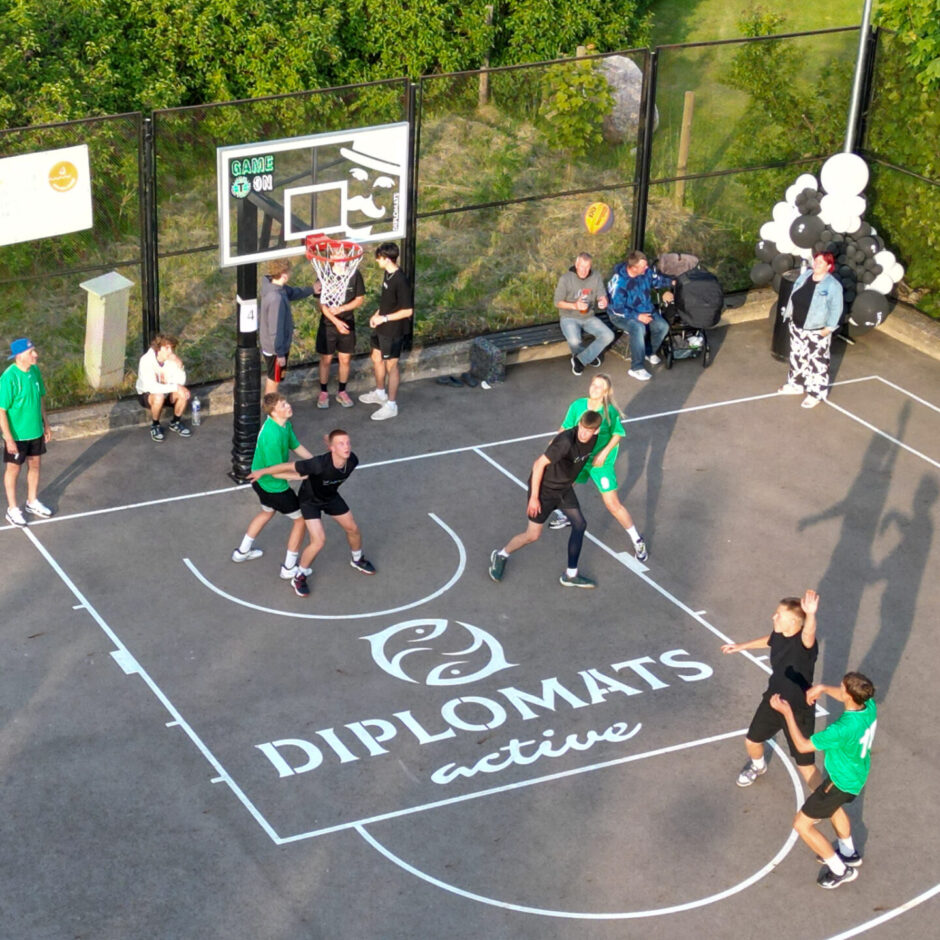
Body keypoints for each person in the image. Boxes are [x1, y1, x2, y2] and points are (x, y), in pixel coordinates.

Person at [770, 672, 877, 890]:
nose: (838, 689)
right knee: (834, 809)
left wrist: (787, 713)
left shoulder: (841, 729)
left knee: (802, 825)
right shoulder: (869, 705)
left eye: (841, 688)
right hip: (856, 775)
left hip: (839, 782)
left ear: (848, 696)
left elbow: (802, 746)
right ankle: (849, 853)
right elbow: (844, 694)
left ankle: (840, 870)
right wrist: (822, 688)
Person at [249, 428, 375, 598]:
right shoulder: (317, 464)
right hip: (310, 501)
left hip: (330, 497)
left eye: (347, 442)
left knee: (353, 528)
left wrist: (331, 440)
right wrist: (262, 472)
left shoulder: (352, 460)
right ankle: (299, 576)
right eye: (340, 444)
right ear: (332, 448)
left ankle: (357, 559)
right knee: (319, 540)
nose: (346, 447)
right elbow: (288, 466)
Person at [488, 410, 602, 589]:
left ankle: (571, 575)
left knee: (580, 524)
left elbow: (576, 465)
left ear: (595, 431)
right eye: (581, 427)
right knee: (532, 535)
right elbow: (538, 464)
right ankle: (501, 554)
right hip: (544, 491)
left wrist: (570, 485)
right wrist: (534, 498)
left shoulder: (594, 440)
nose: (583, 432)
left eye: (588, 430)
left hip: (563, 490)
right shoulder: (566, 441)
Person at [722, 589, 821, 790]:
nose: (773, 616)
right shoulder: (779, 634)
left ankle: (822, 803)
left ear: (794, 622)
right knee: (752, 741)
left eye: (779, 615)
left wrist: (810, 614)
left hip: (798, 711)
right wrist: (741, 646)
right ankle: (758, 766)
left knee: (805, 765)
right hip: (773, 700)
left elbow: (809, 632)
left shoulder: (804, 645)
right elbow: (769, 640)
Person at [546, 373, 648, 561]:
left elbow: (617, 434)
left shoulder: (610, 412)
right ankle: (567, 516)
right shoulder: (577, 406)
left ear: (606, 391)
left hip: (600, 463)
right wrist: (553, 445)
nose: (594, 388)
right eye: (593, 384)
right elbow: (566, 427)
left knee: (612, 504)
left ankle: (637, 540)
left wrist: (603, 453)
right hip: (579, 457)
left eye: (599, 386)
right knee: (561, 487)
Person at [232, 393, 312, 581]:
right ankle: (289, 567)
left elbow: (295, 445)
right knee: (301, 520)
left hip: (262, 484)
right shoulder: (272, 435)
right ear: (274, 412)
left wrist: (315, 461)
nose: (288, 406)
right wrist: (302, 475)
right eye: (283, 405)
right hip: (273, 486)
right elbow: (275, 472)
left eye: (286, 402)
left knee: (267, 512)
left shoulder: (285, 425)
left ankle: (242, 552)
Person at [778, 251, 844, 410]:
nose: (816, 264)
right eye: (816, 261)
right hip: (797, 326)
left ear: (829, 266)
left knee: (817, 362)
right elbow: (795, 293)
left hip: (817, 330)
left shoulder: (832, 285)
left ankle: (816, 393)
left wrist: (828, 329)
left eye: (821, 262)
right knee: (798, 356)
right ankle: (796, 384)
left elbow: (837, 308)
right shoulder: (806, 275)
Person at [0, 338, 53, 526]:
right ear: (20, 356)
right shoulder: (8, 378)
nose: (35, 355)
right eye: (31, 352)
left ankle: (32, 501)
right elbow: (2, 411)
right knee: (13, 470)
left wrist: (45, 424)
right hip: (17, 436)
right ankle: (12, 509)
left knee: (35, 465)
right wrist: (8, 439)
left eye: (34, 351)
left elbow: (40, 399)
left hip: (35, 432)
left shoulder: (35, 371)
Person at [358, 242, 413, 421]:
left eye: (379, 258)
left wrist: (385, 318)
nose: (376, 260)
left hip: (393, 330)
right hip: (382, 326)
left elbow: (407, 311)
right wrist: (376, 315)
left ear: (387, 259)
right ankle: (380, 393)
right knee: (376, 357)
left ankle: (391, 405)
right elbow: (386, 302)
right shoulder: (387, 274)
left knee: (392, 366)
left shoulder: (401, 280)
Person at [606, 250, 675, 382]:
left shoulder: (645, 272)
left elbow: (657, 280)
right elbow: (617, 308)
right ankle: (636, 368)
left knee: (662, 326)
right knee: (638, 328)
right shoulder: (620, 282)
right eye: (644, 266)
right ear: (633, 268)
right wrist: (638, 316)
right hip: (621, 315)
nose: (647, 268)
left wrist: (672, 282)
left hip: (645, 308)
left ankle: (649, 352)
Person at [259, 258, 318, 395]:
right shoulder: (276, 299)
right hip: (275, 348)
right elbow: (275, 329)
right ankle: (272, 412)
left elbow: (292, 292)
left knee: (274, 377)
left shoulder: (275, 287)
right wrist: (280, 353)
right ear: (284, 275)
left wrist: (311, 289)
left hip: (274, 346)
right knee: (274, 379)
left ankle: (272, 409)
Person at [315, 255, 365, 410]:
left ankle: (342, 391)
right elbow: (321, 304)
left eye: (343, 254)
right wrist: (336, 321)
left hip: (347, 322)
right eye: (337, 254)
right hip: (329, 324)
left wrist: (342, 309)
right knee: (326, 360)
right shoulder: (324, 274)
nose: (341, 257)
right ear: (331, 257)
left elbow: (359, 299)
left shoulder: (354, 274)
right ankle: (323, 392)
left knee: (345, 360)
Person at [554, 252, 614, 376]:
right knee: (575, 341)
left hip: (588, 316)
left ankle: (580, 359)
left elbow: (601, 295)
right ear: (576, 264)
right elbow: (557, 302)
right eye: (582, 266)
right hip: (569, 316)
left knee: (609, 335)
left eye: (587, 267)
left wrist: (603, 301)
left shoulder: (596, 276)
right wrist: (575, 305)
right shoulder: (565, 279)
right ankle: (588, 357)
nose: (584, 270)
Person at [135, 333, 192, 442]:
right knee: (158, 397)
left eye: (172, 348)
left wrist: (180, 366)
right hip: (148, 394)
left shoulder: (172, 360)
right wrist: (175, 387)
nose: (170, 352)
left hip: (167, 391)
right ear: (158, 348)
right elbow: (152, 387)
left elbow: (180, 382)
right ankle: (155, 425)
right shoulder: (146, 361)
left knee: (183, 393)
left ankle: (176, 422)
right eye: (167, 348)